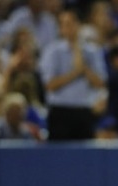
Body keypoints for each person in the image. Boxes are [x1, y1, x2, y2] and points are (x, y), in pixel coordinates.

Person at [39, 9, 107, 141]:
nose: (67, 28)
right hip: (60, 111)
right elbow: (50, 85)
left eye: (70, 23)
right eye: (63, 24)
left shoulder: (92, 51)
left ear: (78, 24)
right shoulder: (53, 51)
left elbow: (100, 83)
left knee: (85, 157)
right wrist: (75, 73)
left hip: (84, 112)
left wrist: (83, 68)